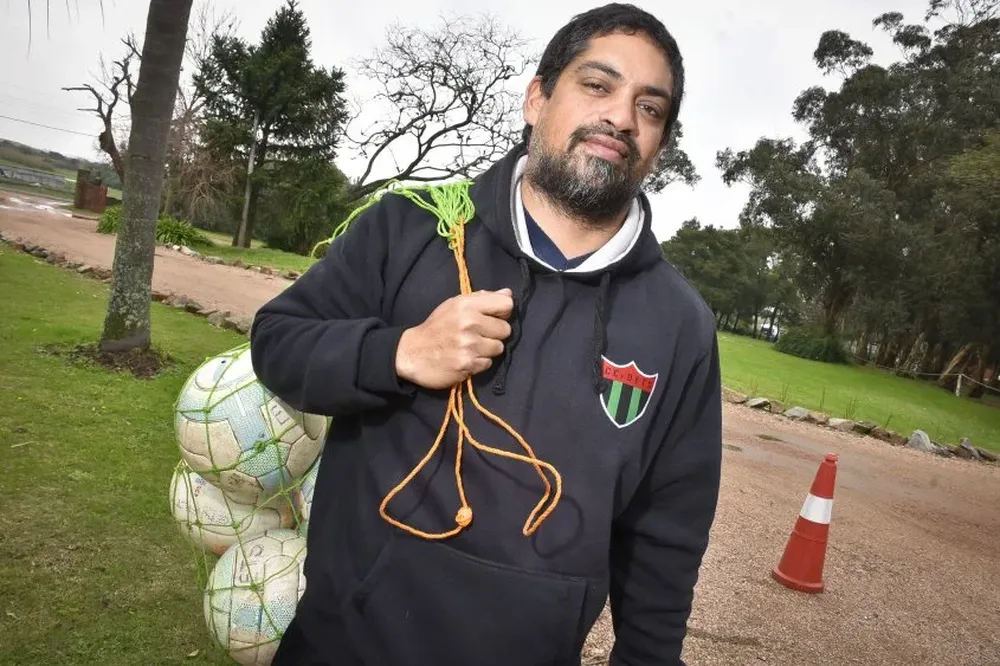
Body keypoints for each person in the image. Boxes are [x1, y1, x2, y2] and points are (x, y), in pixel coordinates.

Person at [250, 3, 722, 665]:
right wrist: (399, 352)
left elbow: (668, 532)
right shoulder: (411, 228)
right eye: (597, 85)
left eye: (649, 107)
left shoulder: (680, 324)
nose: (621, 117)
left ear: (658, 146)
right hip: (342, 643)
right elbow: (278, 342)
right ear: (537, 98)